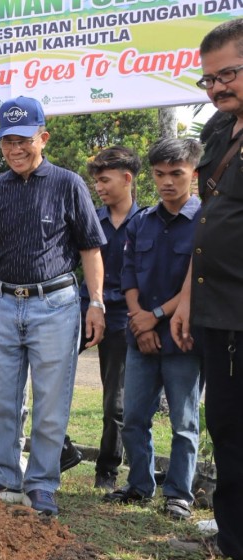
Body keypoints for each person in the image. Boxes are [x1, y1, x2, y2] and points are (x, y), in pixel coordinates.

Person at [0, 96, 106, 517]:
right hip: (4, 305)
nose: (15, 150)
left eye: (23, 139)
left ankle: (42, 482)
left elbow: (90, 249)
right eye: (7, 141)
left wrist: (95, 302)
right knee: (0, 398)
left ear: (42, 137)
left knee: (51, 400)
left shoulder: (68, 184)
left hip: (56, 305)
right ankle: (5, 474)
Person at [170, 17, 243, 560]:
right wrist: (188, 299)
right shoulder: (219, 131)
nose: (218, 87)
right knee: (224, 421)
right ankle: (233, 536)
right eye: (209, 79)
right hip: (217, 309)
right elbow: (208, 225)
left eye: (230, 74)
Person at [103, 139, 202, 520]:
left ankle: (179, 494)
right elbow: (127, 274)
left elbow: (198, 282)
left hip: (183, 339)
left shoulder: (205, 223)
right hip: (138, 334)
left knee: (184, 422)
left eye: (176, 174)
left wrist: (156, 315)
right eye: (160, 174)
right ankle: (140, 486)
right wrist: (139, 319)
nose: (167, 182)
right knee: (133, 418)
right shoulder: (141, 221)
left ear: (193, 173)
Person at [77, 146, 143, 491]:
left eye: (105, 180)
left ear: (127, 178)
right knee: (49, 382)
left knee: (114, 400)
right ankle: (60, 452)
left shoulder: (146, 223)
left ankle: (107, 469)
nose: (99, 187)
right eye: (96, 181)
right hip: (83, 310)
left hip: (122, 319)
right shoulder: (91, 220)